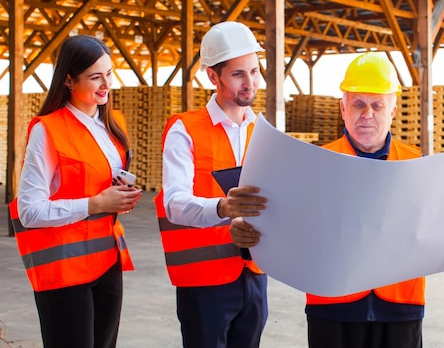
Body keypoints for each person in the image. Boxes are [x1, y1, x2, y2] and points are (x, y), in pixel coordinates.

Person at [230, 52, 444, 348]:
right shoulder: (315, 164)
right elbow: (288, 221)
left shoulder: (418, 165)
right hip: (332, 304)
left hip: (400, 306)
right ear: (343, 108)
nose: (367, 114)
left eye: (377, 105)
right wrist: (250, 234)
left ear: (392, 110)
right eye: (359, 104)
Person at [9, 35, 142, 348]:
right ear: (68, 80)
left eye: (109, 74)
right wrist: (95, 204)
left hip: (107, 261)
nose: (106, 84)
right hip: (64, 269)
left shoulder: (112, 126)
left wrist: (120, 198)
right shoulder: (48, 130)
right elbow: (29, 211)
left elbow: (96, 186)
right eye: (95, 77)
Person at [154, 21, 269, 348]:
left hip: (255, 273)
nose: (250, 83)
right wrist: (224, 207)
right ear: (212, 77)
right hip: (204, 278)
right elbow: (174, 203)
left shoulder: (261, 131)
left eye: (254, 71)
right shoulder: (184, 130)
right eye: (238, 74)